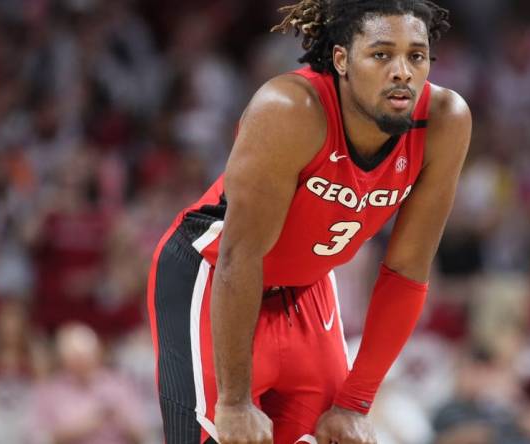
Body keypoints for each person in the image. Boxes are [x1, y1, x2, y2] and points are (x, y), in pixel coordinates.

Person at [146, 1, 471, 443]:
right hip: (214, 277)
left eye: (416, 56)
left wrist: (356, 402)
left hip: (308, 289)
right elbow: (241, 255)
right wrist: (236, 400)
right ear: (341, 60)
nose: (402, 72)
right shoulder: (289, 109)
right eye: (381, 54)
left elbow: (407, 270)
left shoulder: (445, 120)